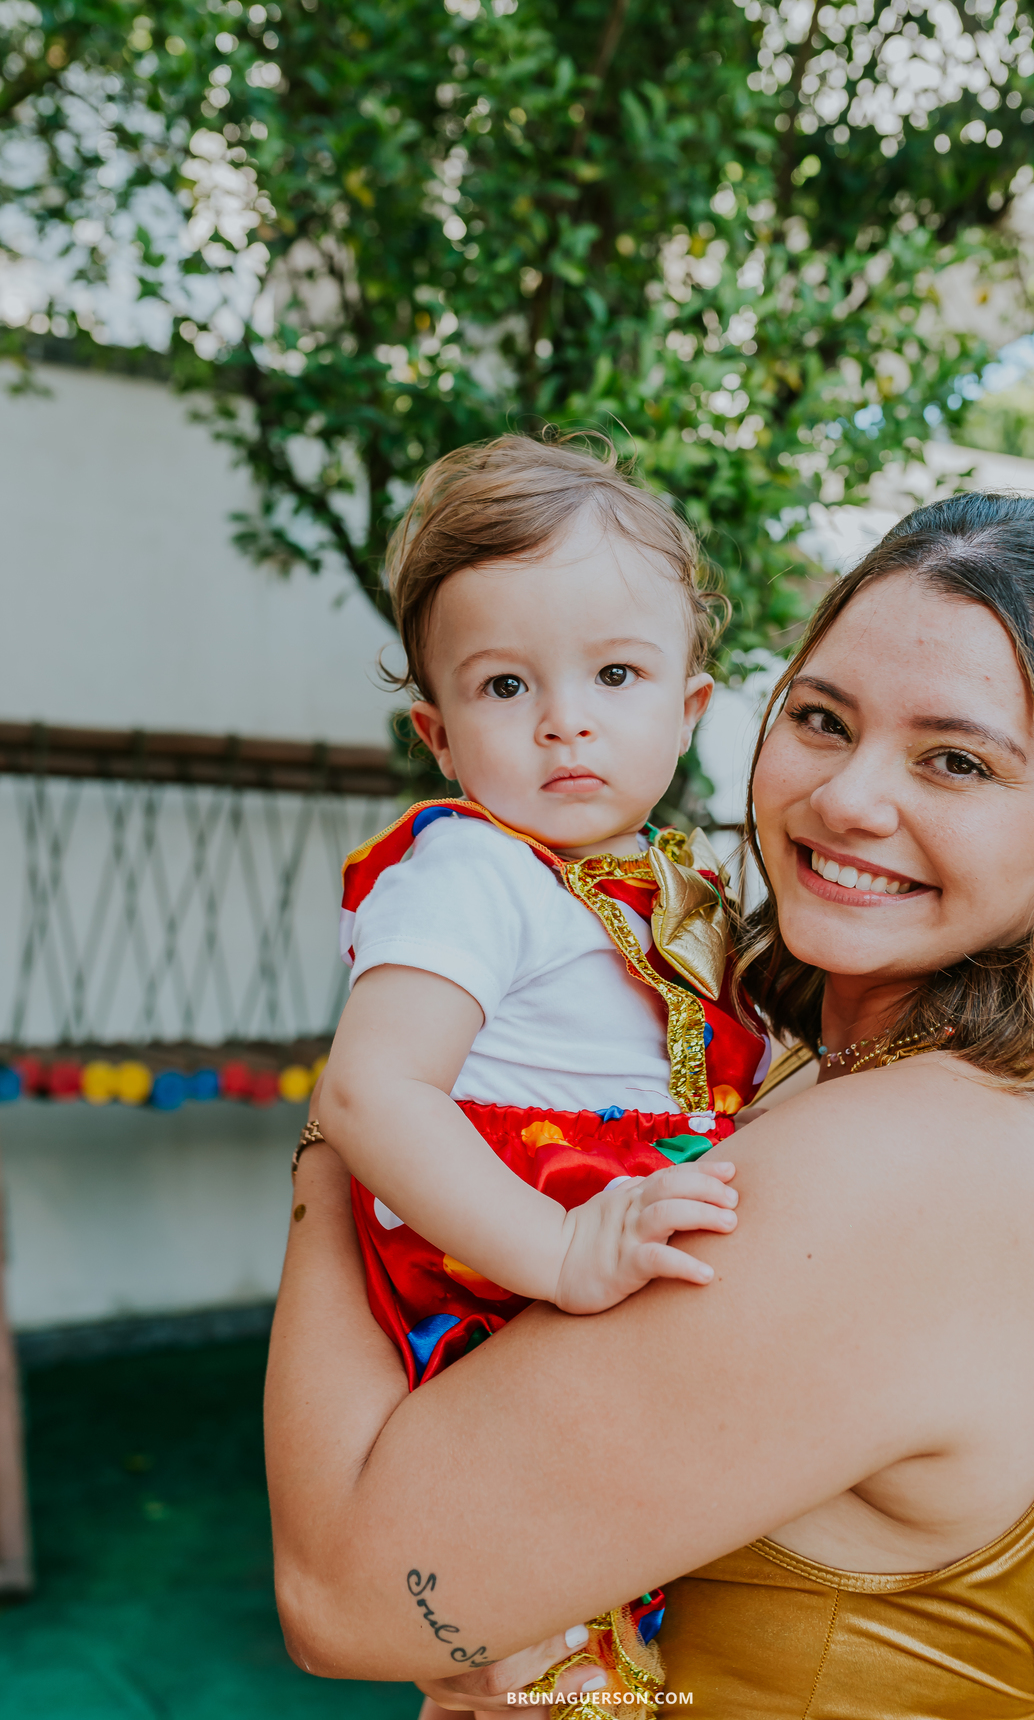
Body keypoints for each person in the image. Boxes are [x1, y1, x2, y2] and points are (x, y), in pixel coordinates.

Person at [267, 492, 1034, 1717]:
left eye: (956, 760)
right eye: (821, 718)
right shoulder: (983, 1085)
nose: (850, 798)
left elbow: (342, 1593)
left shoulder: (898, 1162)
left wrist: (347, 1132)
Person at [302, 433, 768, 1712]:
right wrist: (557, 1252)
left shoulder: (676, 887)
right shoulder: (473, 868)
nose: (566, 717)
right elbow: (370, 1092)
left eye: (615, 674)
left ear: (687, 709)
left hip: (603, 1221)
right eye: (505, 687)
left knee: (589, 1604)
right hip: (507, 1244)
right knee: (534, 1623)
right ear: (437, 732)